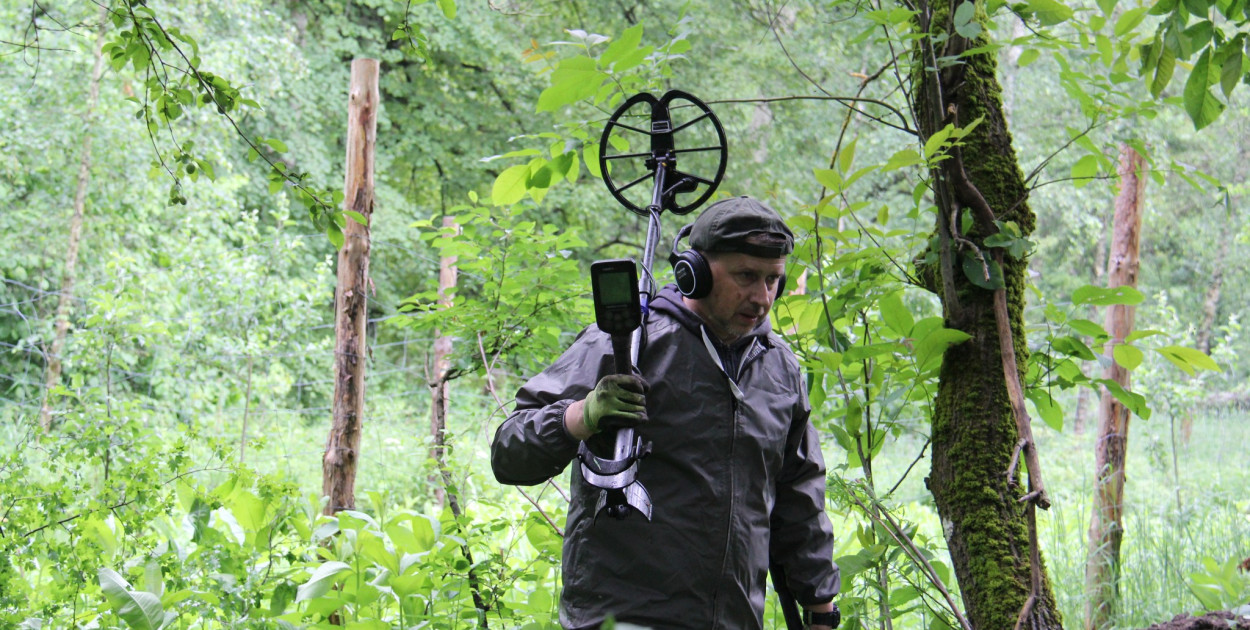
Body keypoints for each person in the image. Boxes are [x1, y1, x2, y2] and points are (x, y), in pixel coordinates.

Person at [491, 196, 840, 629]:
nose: (761, 297)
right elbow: (508, 452)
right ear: (693, 273)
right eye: (746, 276)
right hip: (621, 618)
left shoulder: (779, 367)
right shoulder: (626, 345)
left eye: (773, 280)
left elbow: (799, 495)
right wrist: (580, 415)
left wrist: (821, 606)